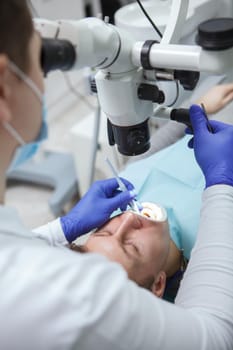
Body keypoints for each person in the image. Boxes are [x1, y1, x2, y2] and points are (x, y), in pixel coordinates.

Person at [0, 2, 233, 350]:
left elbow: (150, 160)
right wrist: (220, 183)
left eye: (106, 228)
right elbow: (215, 337)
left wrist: (61, 228)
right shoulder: (75, 297)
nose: (127, 221)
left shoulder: (123, 203)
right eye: (41, 60)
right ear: (4, 87)